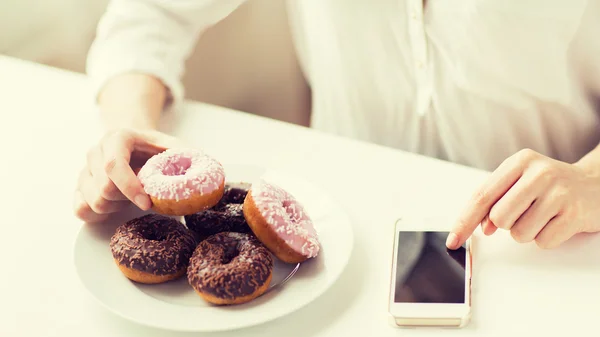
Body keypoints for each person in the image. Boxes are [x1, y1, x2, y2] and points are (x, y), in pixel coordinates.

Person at [74, 0, 600, 251]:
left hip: (551, 242)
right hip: (334, 231)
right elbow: (149, 17)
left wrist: (590, 182)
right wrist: (129, 129)